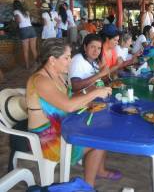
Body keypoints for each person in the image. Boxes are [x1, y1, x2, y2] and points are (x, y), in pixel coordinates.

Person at [26, 38, 122, 186]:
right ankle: (89, 186)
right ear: (52, 60)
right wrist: (95, 94)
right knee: (100, 140)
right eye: (66, 57)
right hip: (46, 139)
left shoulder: (58, 76)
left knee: (101, 128)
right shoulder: (40, 80)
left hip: (62, 126)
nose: (70, 61)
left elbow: (71, 98)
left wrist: (89, 97)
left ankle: (95, 176)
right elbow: (68, 106)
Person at [13, 0, 37, 70]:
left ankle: (27, 66)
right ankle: (37, 64)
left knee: (25, 50)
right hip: (31, 29)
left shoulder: (16, 11)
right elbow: (31, 20)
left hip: (24, 30)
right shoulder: (25, 11)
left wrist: (14, 20)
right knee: (33, 49)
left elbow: (19, 20)